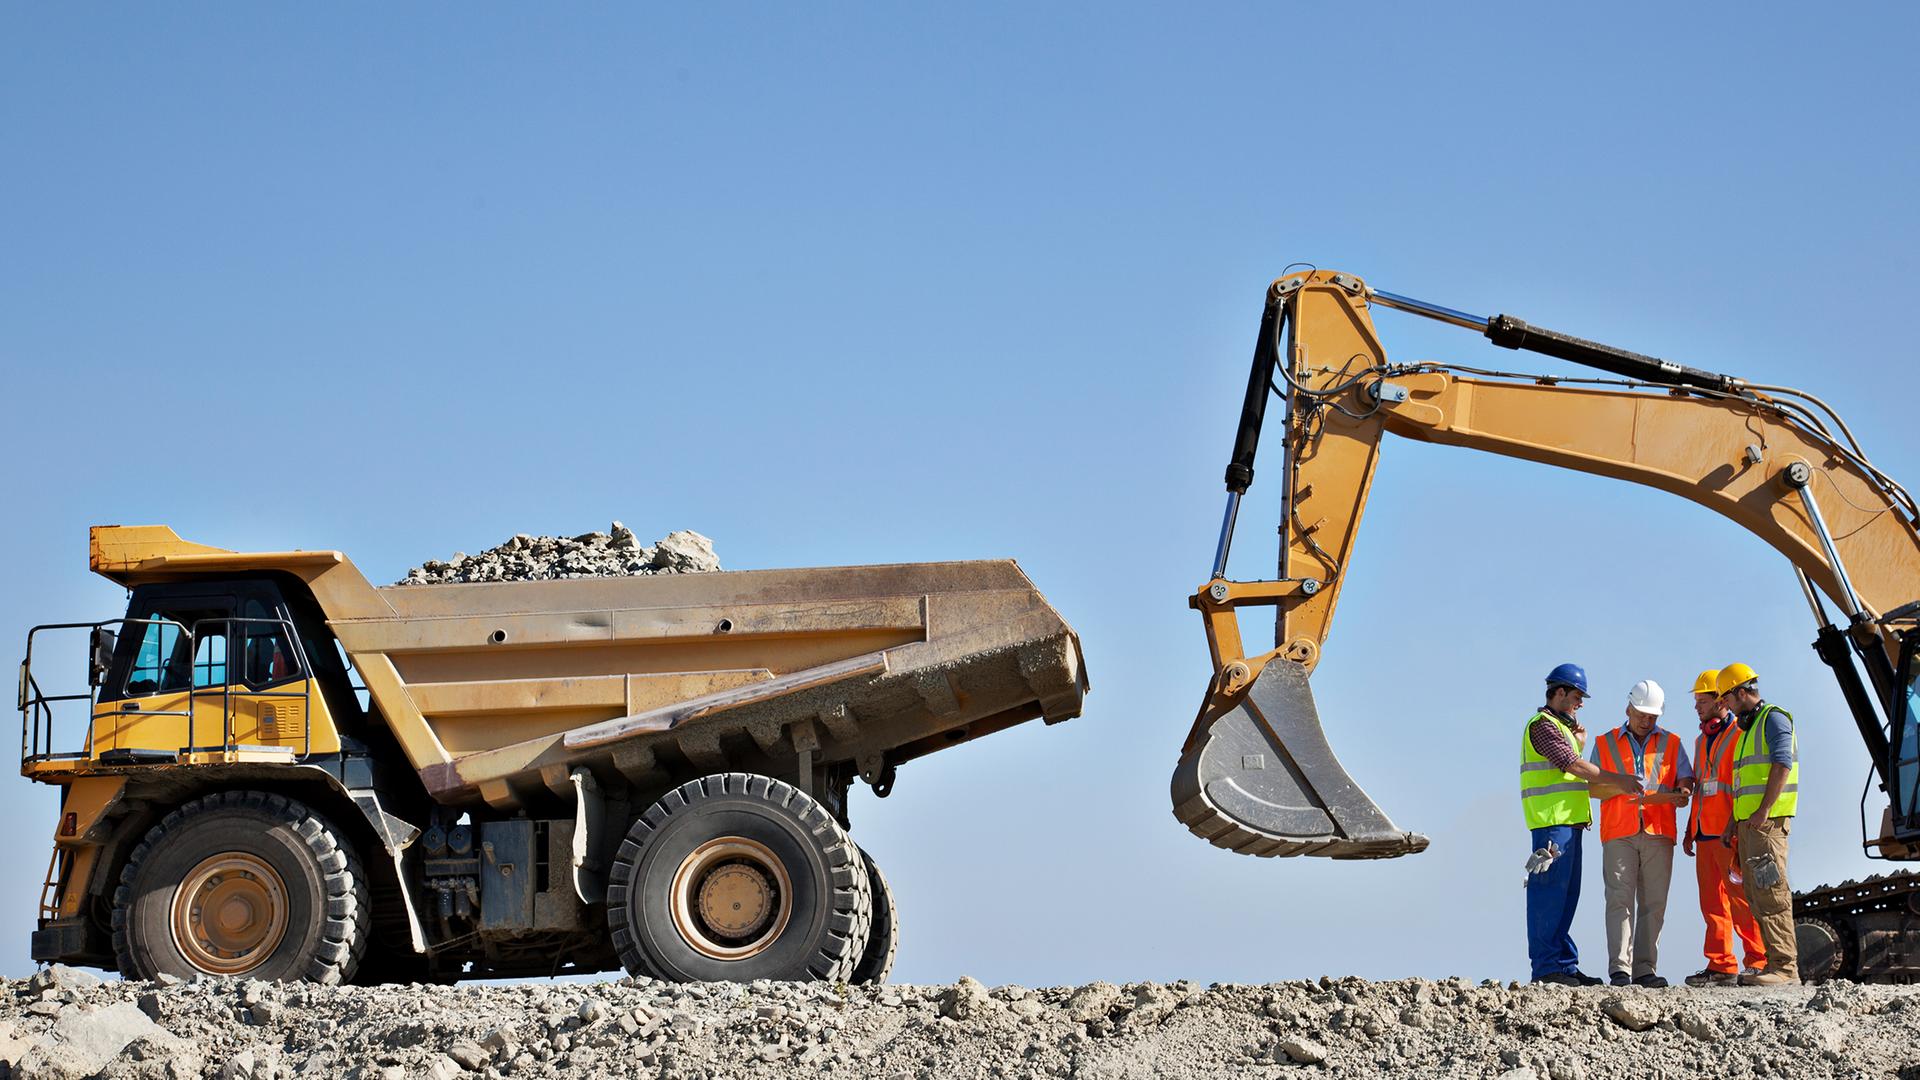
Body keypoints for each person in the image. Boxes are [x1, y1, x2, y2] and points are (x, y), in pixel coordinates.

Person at [1522, 662, 1645, 986]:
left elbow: (1565, 766)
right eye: (1577, 696)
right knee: (1549, 896)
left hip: (1568, 824)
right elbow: (1572, 765)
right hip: (1552, 825)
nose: (1580, 703)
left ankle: (1564, 965)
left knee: (1566, 898)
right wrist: (1620, 779)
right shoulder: (1542, 726)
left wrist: (1577, 741)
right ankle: (1547, 967)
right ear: (1560, 692)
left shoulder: (1560, 728)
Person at [1589, 679, 1693, 987]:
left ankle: (1645, 969)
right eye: (1642, 715)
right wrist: (1619, 785)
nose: (1647, 721)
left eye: (1652, 716)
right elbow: (1591, 786)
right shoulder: (1605, 742)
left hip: (1658, 831)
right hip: (1618, 831)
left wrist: (1683, 790)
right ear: (1628, 709)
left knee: (1654, 903)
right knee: (1618, 900)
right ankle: (1620, 970)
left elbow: (1686, 776)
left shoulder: (1671, 742)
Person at [1682, 668, 1766, 986]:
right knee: (1712, 904)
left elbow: (1739, 786)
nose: (1696, 707)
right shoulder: (1699, 740)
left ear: (1721, 701)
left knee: (1741, 900)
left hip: (1729, 834)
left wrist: (1737, 828)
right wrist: (1689, 830)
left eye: (1702, 701)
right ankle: (1721, 965)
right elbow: (1702, 788)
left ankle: (1758, 960)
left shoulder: (1738, 736)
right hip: (1704, 834)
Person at [1719, 662, 1799, 986]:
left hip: (1767, 826)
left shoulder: (1773, 719)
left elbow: (1783, 764)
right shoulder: (1747, 731)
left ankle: (1785, 968)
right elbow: (1743, 786)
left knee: (1771, 893)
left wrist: (1764, 810)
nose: (1725, 706)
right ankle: (1774, 963)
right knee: (1756, 894)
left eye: (1727, 698)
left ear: (1741, 692)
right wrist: (1732, 822)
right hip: (1750, 826)